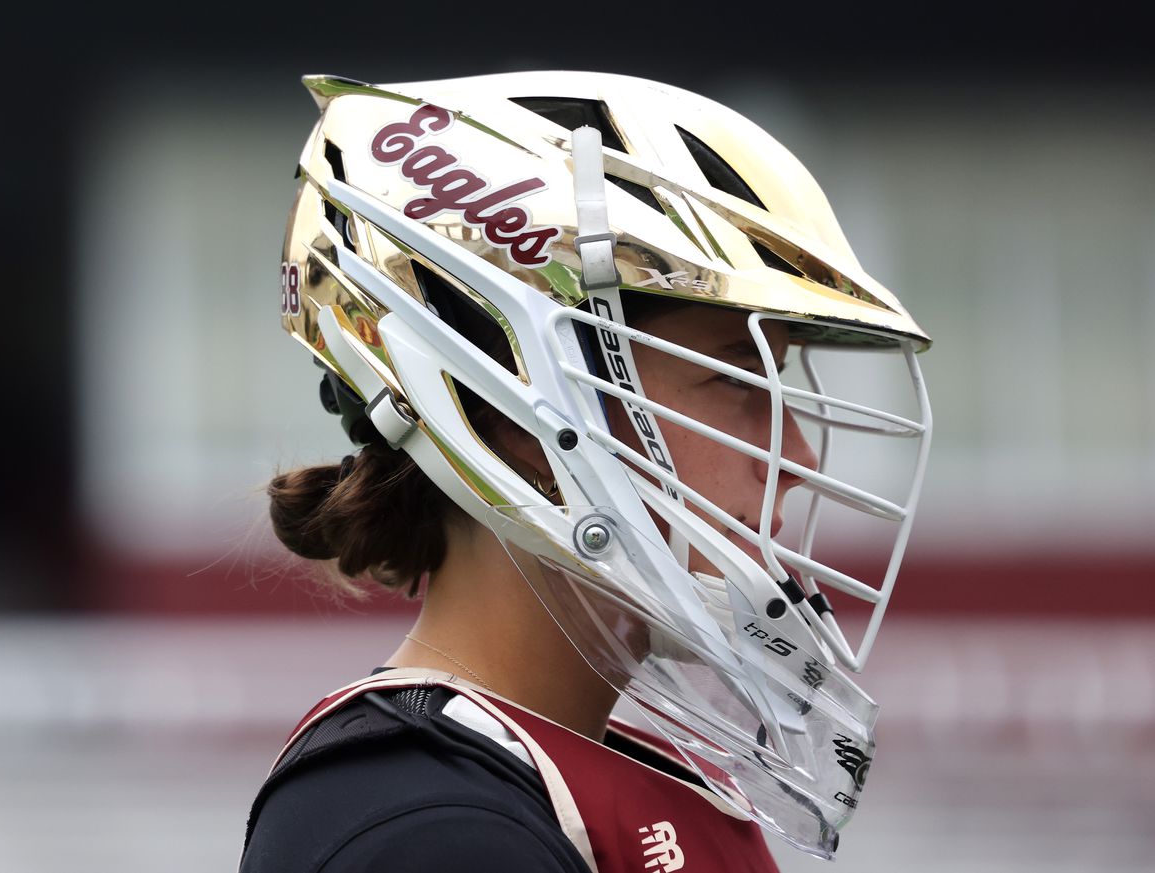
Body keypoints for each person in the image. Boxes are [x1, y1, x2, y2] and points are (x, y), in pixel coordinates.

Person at [241, 71, 933, 872]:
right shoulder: (426, 830)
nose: (800, 461)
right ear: (528, 417)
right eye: (738, 380)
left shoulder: (589, 772)